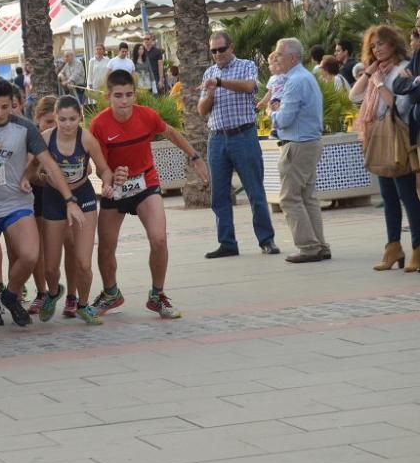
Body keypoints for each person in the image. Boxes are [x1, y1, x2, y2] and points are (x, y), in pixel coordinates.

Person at [0, 79, 87, 328]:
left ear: (13, 104)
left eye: (5, 107)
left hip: (16, 204)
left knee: (30, 255)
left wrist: (70, 199)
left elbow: (49, 163)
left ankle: (10, 295)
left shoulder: (25, 128)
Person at [91, 69, 208, 318]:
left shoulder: (147, 116)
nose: (124, 101)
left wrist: (195, 157)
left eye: (129, 95)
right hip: (116, 187)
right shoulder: (99, 124)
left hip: (146, 183)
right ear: (107, 96)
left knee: (159, 239)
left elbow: (172, 133)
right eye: (118, 96)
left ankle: (158, 295)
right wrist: (110, 180)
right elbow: (100, 164)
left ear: (135, 95)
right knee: (105, 247)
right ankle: (111, 293)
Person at [198, 30, 279, 258]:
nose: (218, 54)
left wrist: (221, 82)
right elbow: (201, 109)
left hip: (243, 135)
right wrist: (211, 93)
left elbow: (249, 87)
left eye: (221, 49)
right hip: (217, 137)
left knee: (254, 190)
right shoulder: (209, 72)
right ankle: (227, 243)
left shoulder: (245, 65)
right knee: (219, 194)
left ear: (231, 47)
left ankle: (266, 239)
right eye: (213, 51)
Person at [34, 95, 115, 324]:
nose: (68, 125)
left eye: (72, 119)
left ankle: (83, 304)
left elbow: (103, 169)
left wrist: (107, 183)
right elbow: (31, 170)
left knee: (83, 262)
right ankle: (52, 293)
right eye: (62, 119)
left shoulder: (86, 139)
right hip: (53, 197)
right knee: (50, 266)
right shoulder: (46, 138)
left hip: (83, 196)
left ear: (80, 117)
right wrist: (33, 178)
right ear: (55, 118)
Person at [351, 25, 418, 272]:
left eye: (380, 43)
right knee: (388, 198)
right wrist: (369, 74)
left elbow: (400, 107)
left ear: (393, 44)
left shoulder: (402, 70)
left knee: (407, 196)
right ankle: (393, 247)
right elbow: (354, 96)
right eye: (372, 45)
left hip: (397, 137)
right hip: (378, 137)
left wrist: (380, 85)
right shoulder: (377, 70)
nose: (376, 48)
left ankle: (418, 248)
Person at [270, 38, 331, 264]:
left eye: (280, 54)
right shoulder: (306, 77)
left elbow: (285, 118)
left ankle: (308, 247)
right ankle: (320, 245)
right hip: (310, 142)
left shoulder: (295, 81)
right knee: (307, 197)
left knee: (289, 198)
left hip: (297, 143)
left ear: (293, 57)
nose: (276, 58)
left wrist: (272, 114)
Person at [27, 96, 57, 316]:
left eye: (58, 121)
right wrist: (39, 175)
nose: (54, 127)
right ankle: (41, 292)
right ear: (38, 119)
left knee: (67, 244)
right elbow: (27, 173)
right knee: (37, 247)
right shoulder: (33, 139)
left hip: (64, 197)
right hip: (38, 194)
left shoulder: (70, 138)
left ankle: (72, 294)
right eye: (49, 121)